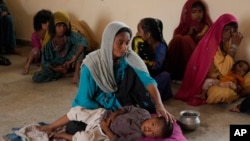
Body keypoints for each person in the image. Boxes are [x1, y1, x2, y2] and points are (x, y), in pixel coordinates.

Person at [72, 21, 176, 122]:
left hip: (119, 100)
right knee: (75, 126)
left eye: (127, 43)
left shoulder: (128, 56)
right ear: (109, 41)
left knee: (134, 71)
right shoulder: (92, 64)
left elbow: (148, 80)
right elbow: (84, 100)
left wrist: (160, 105)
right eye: (120, 42)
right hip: (97, 105)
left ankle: (140, 109)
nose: (124, 48)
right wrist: (108, 113)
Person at [175, 13, 244, 106]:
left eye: (233, 31)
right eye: (226, 30)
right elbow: (224, 70)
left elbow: (228, 64)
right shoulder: (212, 43)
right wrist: (234, 46)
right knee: (224, 94)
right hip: (207, 81)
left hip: (220, 77)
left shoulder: (224, 42)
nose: (229, 34)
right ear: (219, 28)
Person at [37, 105, 173, 141]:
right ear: (153, 118)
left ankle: (59, 136)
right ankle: (50, 127)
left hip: (103, 133)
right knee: (77, 111)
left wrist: (107, 129)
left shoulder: (137, 135)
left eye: (153, 134)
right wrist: (115, 114)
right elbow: (127, 108)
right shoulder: (143, 113)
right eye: (153, 125)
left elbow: (117, 140)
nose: (149, 130)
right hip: (103, 116)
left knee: (84, 139)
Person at [32, 11, 88, 84]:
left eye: (64, 26)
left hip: (68, 61)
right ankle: (63, 74)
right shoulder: (48, 42)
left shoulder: (69, 35)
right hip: (55, 64)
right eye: (59, 26)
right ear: (53, 26)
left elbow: (83, 41)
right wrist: (55, 69)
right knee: (37, 77)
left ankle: (76, 75)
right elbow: (44, 62)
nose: (62, 29)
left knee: (80, 49)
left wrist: (74, 58)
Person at [165, 0, 212, 81]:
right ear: (187, 13)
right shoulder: (180, 29)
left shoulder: (208, 28)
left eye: (200, 11)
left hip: (198, 64)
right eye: (194, 12)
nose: (198, 14)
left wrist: (190, 38)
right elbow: (175, 51)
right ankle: (169, 74)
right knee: (178, 38)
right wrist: (188, 32)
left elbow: (208, 50)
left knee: (186, 39)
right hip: (180, 67)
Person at [132, 17, 172, 101]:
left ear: (147, 35)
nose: (136, 34)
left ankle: (151, 97)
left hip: (154, 75)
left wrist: (147, 64)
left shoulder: (161, 47)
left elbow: (157, 66)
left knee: (165, 76)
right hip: (144, 74)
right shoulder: (140, 43)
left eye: (139, 32)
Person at [23, 9, 52, 75]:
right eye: (44, 22)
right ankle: (27, 66)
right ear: (39, 23)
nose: (48, 24)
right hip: (40, 55)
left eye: (49, 21)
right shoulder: (35, 35)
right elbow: (35, 50)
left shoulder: (51, 33)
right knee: (35, 51)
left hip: (50, 55)